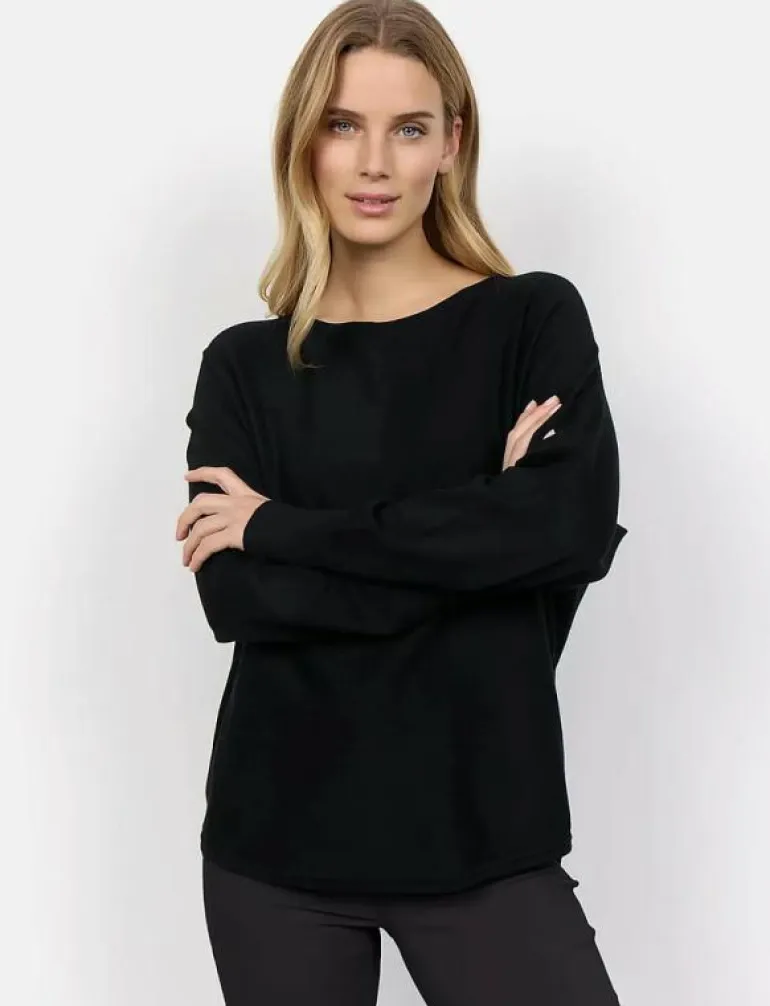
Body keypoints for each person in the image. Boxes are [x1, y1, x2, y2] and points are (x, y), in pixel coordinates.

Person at [175, 1, 628, 1002]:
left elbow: (566, 527)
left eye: (408, 128)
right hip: (274, 851)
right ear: (303, 142)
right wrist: (485, 538)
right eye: (343, 124)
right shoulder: (244, 365)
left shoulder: (530, 319)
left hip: (482, 836)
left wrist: (279, 528)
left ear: (450, 144)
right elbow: (239, 598)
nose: (374, 163)